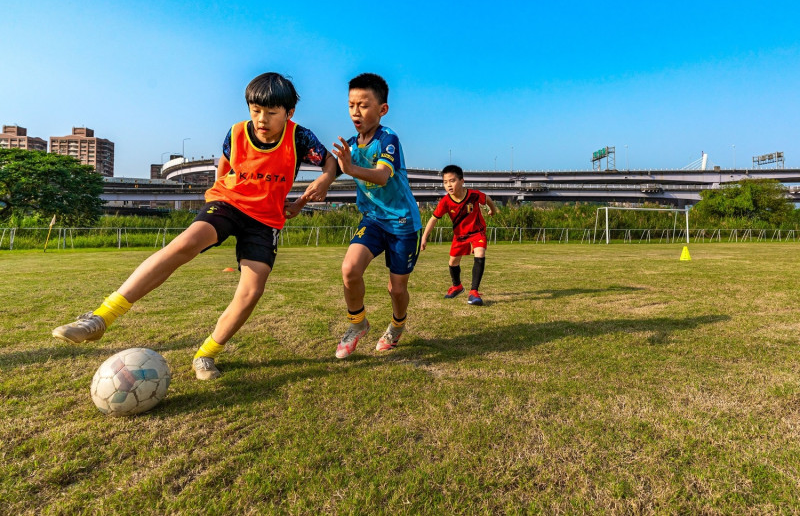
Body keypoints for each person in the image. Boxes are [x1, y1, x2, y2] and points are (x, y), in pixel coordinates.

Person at [52, 72, 338, 380]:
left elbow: (330, 163)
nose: (261, 119)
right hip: (229, 204)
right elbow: (226, 166)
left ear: (289, 113)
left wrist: (322, 180)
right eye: (255, 110)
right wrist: (216, 194)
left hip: (265, 219)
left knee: (252, 290)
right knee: (184, 244)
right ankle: (100, 318)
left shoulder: (300, 138)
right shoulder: (236, 133)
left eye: (271, 113)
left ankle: (207, 354)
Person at [332, 73, 422, 358]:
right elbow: (329, 175)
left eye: (363, 105)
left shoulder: (388, 139)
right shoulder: (350, 145)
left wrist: (350, 169)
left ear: (382, 109)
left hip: (402, 224)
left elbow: (382, 176)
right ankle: (357, 324)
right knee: (349, 270)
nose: (355, 112)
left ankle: (397, 325)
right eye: (351, 105)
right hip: (372, 220)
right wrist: (304, 198)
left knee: (396, 290)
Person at [420, 164, 498, 306]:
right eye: (445, 182)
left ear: (462, 181)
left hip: (477, 232)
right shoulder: (445, 202)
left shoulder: (473, 195)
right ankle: (457, 286)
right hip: (460, 236)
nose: (449, 185)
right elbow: (433, 219)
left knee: (480, 252)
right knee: (453, 262)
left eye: (452, 180)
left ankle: (474, 292)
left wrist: (492, 210)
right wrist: (424, 238)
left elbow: (487, 198)